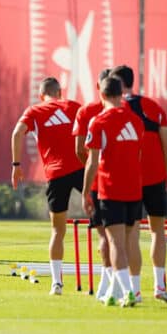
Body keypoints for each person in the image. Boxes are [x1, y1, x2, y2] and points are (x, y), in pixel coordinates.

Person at [11, 77, 83, 296]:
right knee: (105, 223)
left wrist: (16, 165)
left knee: (57, 231)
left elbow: (16, 133)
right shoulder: (74, 107)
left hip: (56, 174)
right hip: (81, 169)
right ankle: (112, 280)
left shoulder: (35, 110)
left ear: (42, 96)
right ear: (60, 92)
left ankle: (56, 283)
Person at [111, 65, 167, 303]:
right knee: (158, 231)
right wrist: (166, 172)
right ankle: (159, 286)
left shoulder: (115, 109)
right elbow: (165, 143)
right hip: (155, 177)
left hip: (129, 180)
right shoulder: (154, 107)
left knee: (131, 235)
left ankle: (134, 289)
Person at [82, 76, 144, 307]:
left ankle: (127, 291)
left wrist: (86, 191)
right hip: (134, 188)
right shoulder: (137, 121)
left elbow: (92, 161)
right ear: (122, 94)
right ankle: (123, 290)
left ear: (102, 94)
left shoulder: (98, 122)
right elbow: (138, 155)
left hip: (110, 188)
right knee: (131, 241)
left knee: (115, 243)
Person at [73, 68, 118, 301]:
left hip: (101, 181)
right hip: (120, 181)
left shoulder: (89, 112)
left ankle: (110, 284)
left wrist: (96, 168)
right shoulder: (123, 112)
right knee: (120, 236)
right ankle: (113, 284)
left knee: (106, 235)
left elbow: (80, 151)